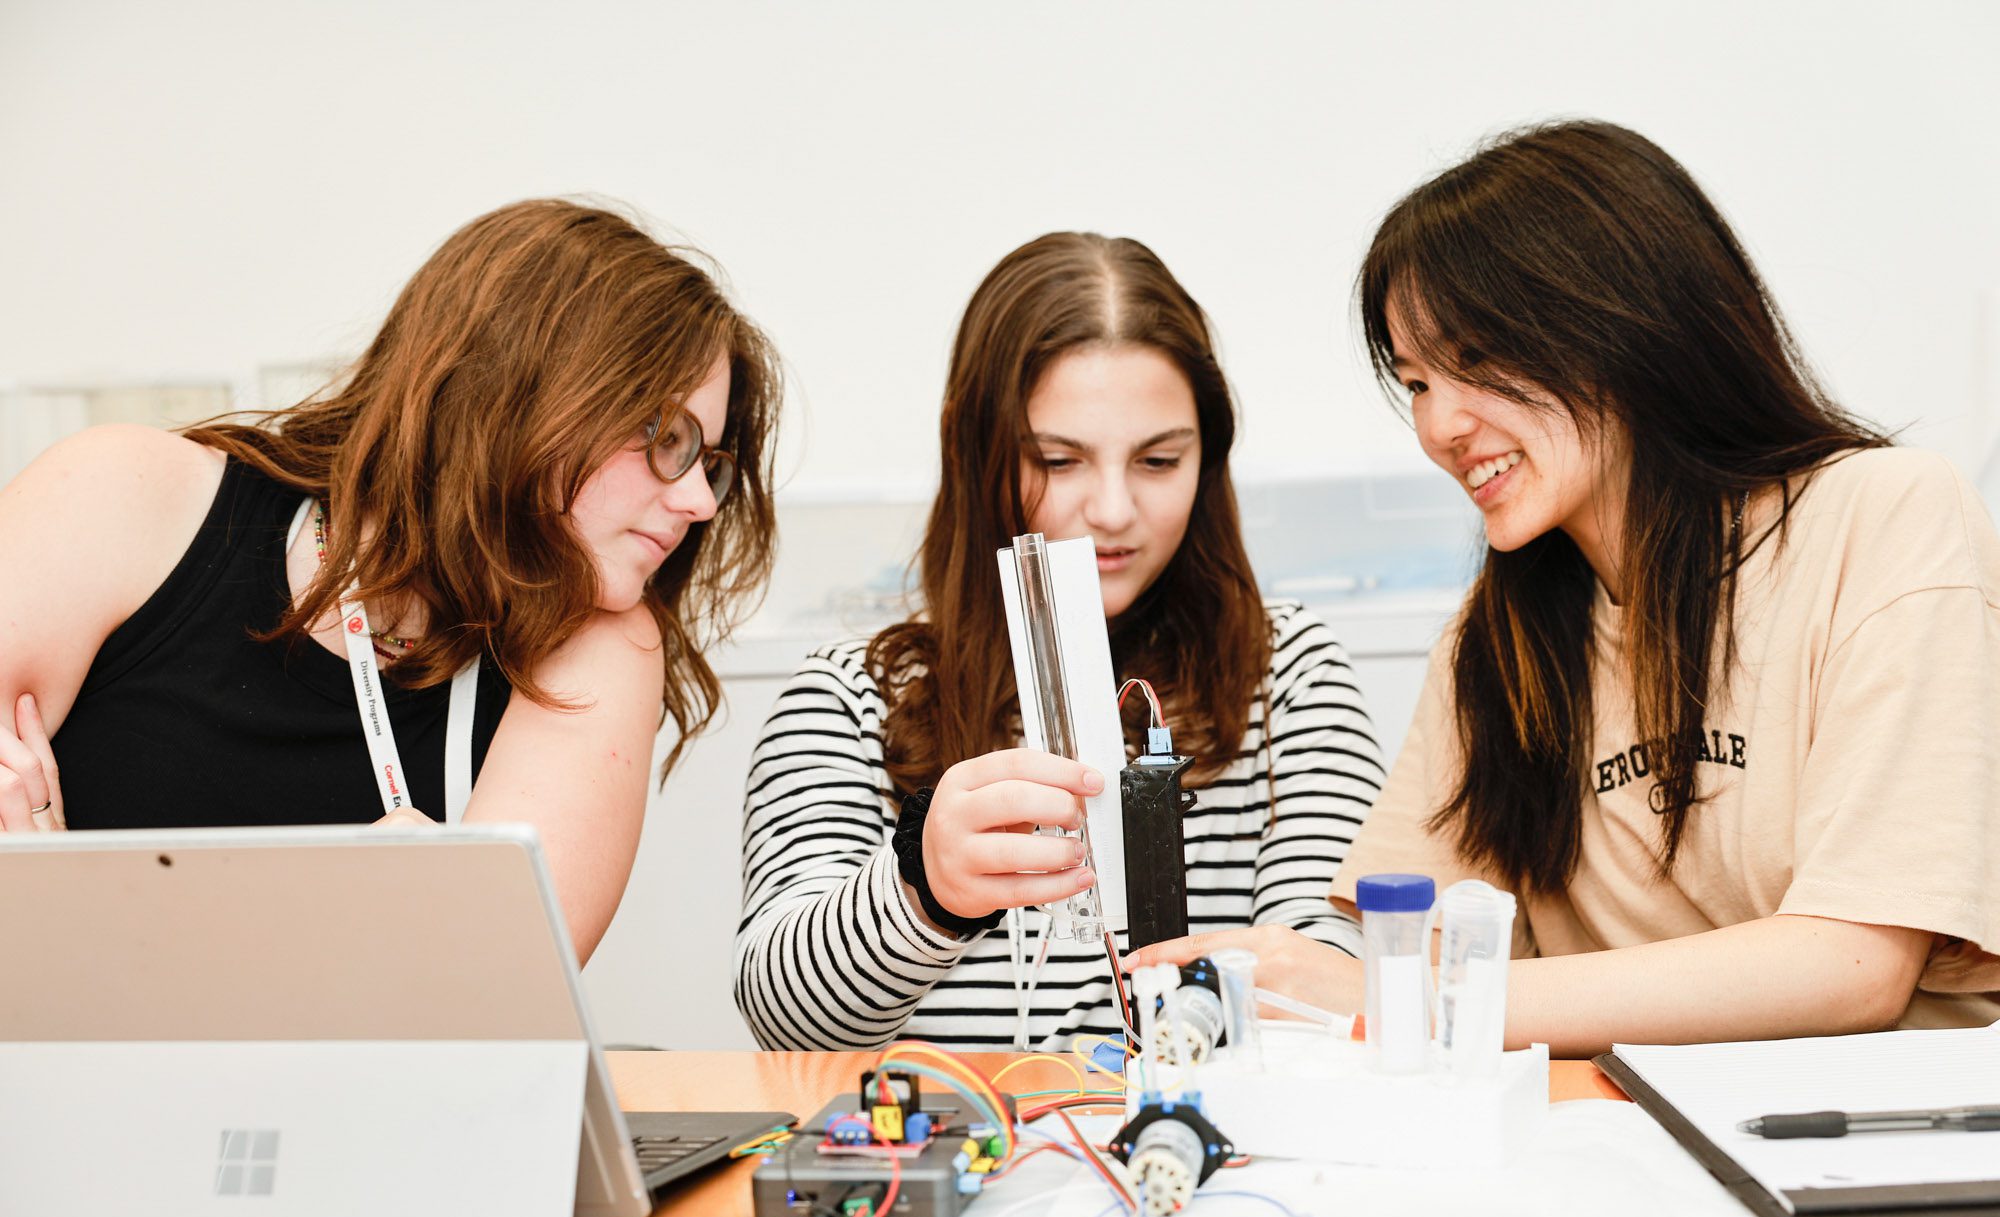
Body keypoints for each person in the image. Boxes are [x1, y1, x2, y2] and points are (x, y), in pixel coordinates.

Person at [1126, 120, 2000, 1051]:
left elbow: (1852, 965)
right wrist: (1311, 974)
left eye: (1473, 359)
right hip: (1618, 1144)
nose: (1441, 425)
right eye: (1416, 380)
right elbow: (1393, 936)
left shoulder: (1882, 516)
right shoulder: (1496, 638)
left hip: (1873, 1151)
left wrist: (1397, 1003)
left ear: (1623, 323)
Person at [0, 199, 781, 962]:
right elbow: (399, 970)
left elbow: (479, 993)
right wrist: (345, 926)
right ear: (525, 393)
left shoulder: (607, 639)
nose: (700, 500)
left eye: (707, 459)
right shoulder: (121, 493)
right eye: (669, 437)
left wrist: (74, 921)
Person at [735, 232, 1384, 1050]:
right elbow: (784, 1019)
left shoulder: (1289, 674)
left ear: (1207, 460)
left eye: (1157, 460)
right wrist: (922, 889)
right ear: (976, 456)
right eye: (1058, 460)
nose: (1112, 509)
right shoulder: (850, 696)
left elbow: (1336, 983)